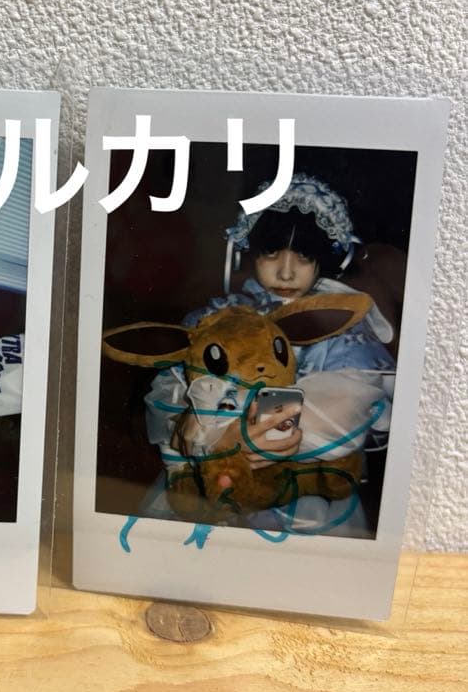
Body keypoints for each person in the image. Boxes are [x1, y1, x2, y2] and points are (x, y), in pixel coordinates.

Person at [144, 173, 396, 535]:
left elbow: (346, 409)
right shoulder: (221, 315)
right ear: (251, 250)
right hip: (214, 478)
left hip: (303, 496)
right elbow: (170, 390)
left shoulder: (340, 326)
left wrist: (234, 433)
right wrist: (204, 429)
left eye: (303, 256)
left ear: (323, 259)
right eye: (272, 253)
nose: (286, 272)